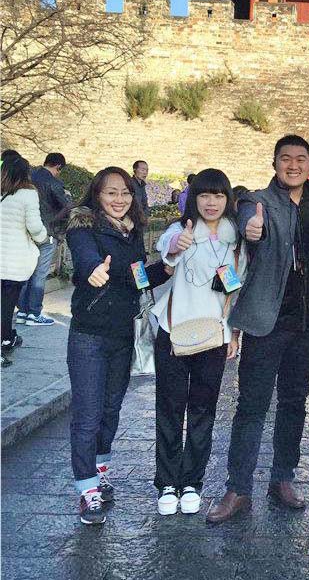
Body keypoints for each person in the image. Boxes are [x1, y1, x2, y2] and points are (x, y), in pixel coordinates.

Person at [207, 136, 309, 524]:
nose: (293, 165)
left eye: (300, 159)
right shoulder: (257, 200)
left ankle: (282, 478)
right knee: (251, 406)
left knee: (294, 404)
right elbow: (247, 218)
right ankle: (238, 487)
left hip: (307, 324)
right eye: (285, 158)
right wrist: (252, 227)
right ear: (274, 163)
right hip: (265, 323)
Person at [65, 167, 171, 524]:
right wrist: (93, 269)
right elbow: (85, 258)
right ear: (97, 195)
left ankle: (99, 471)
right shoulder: (83, 225)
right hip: (89, 335)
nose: (119, 199)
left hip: (123, 334)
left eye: (125, 192)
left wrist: (165, 270)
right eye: (111, 192)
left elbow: (136, 278)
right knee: (87, 415)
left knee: (110, 410)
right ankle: (87, 491)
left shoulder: (133, 231)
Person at [151, 169, 244, 516]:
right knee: (170, 408)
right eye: (204, 195)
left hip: (214, 335)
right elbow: (167, 250)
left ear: (227, 200)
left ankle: (192, 481)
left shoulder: (236, 240)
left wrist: (234, 333)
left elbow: (235, 290)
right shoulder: (180, 230)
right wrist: (178, 245)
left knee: (203, 410)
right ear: (194, 199)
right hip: (174, 331)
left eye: (218, 195)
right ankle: (167, 482)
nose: (211, 202)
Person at [1, 156, 49, 365]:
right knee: (7, 304)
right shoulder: (28, 194)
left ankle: (7, 336)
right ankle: (5, 339)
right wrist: (44, 237)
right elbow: (35, 227)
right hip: (14, 260)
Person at [16, 152, 70, 326]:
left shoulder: (28, 178)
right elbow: (66, 207)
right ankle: (33, 313)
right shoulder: (54, 182)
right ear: (58, 167)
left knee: (26, 271)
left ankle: (22, 311)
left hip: (26, 231)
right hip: (47, 232)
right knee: (40, 274)